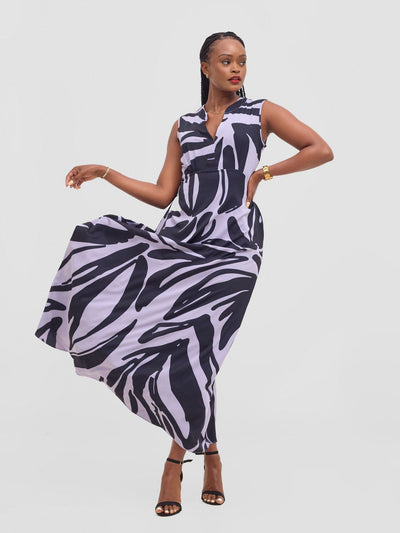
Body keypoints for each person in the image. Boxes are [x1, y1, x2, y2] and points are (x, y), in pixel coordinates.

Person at [34, 31, 333, 517]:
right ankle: (210, 454)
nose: (236, 69)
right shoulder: (184, 125)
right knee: (189, 353)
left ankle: (174, 460)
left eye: (242, 61)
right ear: (205, 67)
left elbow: (320, 149)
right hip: (182, 243)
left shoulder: (261, 113)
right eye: (226, 61)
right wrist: (106, 171)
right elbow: (162, 193)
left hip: (236, 248)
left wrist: (264, 173)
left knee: (201, 349)